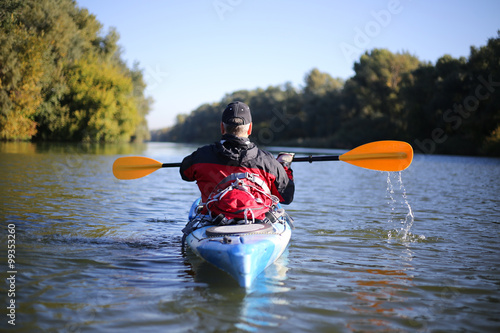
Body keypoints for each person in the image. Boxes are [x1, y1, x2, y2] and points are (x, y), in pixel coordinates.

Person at [180, 101, 295, 220]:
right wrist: (284, 167)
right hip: (256, 222)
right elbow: (286, 197)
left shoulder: (201, 156)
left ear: (221, 127)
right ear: (250, 128)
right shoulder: (268, 161)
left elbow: (185, 174)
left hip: (213, 221)